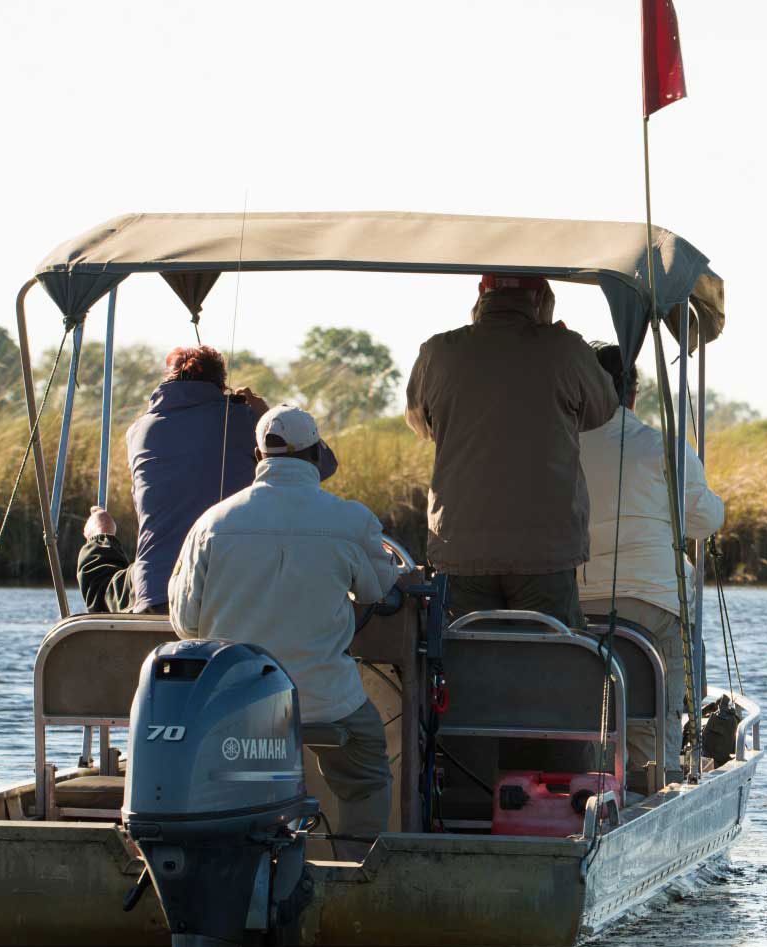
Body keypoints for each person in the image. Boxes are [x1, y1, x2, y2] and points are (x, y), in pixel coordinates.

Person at [169, 403, 398, 852]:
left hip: (235, 706)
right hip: (326, 703)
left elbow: (186, 624)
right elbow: (378, 588)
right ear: (317, 455)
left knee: (246, 781)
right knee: (366, 778)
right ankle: (353, 874)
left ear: (258, 459)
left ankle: (252, 864)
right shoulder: (350, 520)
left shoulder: (211, 523)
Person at [405, 274, 617, 627]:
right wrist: (549, 332)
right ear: (541, 299)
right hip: (546, 552)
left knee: (469, 660)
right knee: (548, 661)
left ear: (481, 295)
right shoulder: (564, 347)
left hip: (459, 546)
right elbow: (603, 408)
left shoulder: (438, 351)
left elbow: (419, 424)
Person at [577, 343, 725, 781]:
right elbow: (705, 519)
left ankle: (592, 784)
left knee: (587, 709)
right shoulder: (661, 446)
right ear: (633, 393)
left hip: (579, 603)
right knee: (655, 710)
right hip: (655, 605)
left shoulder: (559, 447)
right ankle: (653, 779)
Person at [77, 346, 266, 614]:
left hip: (155, 590)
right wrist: (263, 413)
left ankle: (100, 534)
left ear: (167, 379)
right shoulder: (245, 420)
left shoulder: (139, 430)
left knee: (102, 579)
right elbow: (321, 467)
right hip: (229, 593)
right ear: (221, 383)